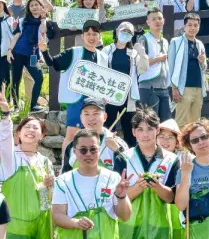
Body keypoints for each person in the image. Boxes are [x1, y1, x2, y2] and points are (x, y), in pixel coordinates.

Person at [0, 85, 55, 239]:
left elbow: (48, 200)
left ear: (42, 136)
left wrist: (50, 187)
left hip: (41, 226)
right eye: (26, 127)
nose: (31, 130)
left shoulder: (45, 162)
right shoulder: (11, 158)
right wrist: (5, 114)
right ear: (18, 133)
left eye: (36, 128)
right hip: (16, 227)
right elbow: (3, 140)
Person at [118, 108, 177, 239]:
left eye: (150, 129)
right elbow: (118, 196)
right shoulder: (123, 158)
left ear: (157, 130)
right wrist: (137, 187)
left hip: (158, 225)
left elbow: (171, 197)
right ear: (133, 132)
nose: (145, 134)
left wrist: (157, 186)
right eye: (140, 129)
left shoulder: (171, 159)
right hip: (129, 224)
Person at [42, 19, 108, 154]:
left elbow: (106, 82)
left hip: (96, 103)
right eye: (88, 34)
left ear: (99, 36)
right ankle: (66, 166)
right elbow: (53, 63)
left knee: (96, 136)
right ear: (82, 36)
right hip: (77, 100)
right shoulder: (73, 52)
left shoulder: (103, 57)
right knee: (72, 135)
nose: (91, 37)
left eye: (95, 34)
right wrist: (44, 50)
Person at [9, 0, 53, 110]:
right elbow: (16, 35)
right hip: (18, 53)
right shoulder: (23, 20)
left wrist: (43, 18)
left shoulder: (45, 21)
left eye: (36, 5)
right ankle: (16, 106)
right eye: (31, 5)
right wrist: (9, 50)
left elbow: (43, 31)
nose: (34, 7)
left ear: (41, 7)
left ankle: (33, 105)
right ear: (28, 8)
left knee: (39, 78)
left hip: (32, 55)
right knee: (16, 81)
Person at [60, 98, 127, 174]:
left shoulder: (117, 143)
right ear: (81, 118)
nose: (91, 118)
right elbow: (64, 177)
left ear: (105, 117)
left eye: (95, 114)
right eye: (86, 114)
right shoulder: (72, 146)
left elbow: (130, 170)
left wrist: (118, 151)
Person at [167, 13, 208, 128]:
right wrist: (174, 88)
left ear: (199, 27)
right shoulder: (176, 42)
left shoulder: (199, 44)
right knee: (181, 122)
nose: (192, 28)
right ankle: (179, 146)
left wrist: (202, 61)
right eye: (189, 25)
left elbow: (204, 68)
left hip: (198, 87)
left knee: (195, 123)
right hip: (182, 87)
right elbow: (170, 66)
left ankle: (192, 146)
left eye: (195, 25)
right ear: (184, 27)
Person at [104, 21, 142, 145]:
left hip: (128, 96)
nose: (125, 34)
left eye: (128, 32)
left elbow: (143, 69)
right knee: (109, 126)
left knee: (129, 127)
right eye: (123, 31)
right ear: (117, 32)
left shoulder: (133, 53)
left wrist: (141, 52)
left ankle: (130, 155)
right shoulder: (108, 50)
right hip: (110, 94)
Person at [157, 119, 186, 239]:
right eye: (161, 136)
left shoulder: (186, 159)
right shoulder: (150, 159)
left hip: (180, 216)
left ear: (177, 142)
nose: (165, 141)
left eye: (170, 137)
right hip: (159, 215)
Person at [135, 8, 172, 122]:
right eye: (154, 19)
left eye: (160, 18)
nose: (157, 21)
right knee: (150, 123)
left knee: (166, 122)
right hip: (148, 87)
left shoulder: (165, 41)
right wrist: (158, 59)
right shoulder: (144, 39)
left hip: (163, 87)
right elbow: (139, 64)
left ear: (164, 21)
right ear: (148, 23)